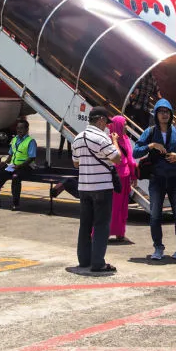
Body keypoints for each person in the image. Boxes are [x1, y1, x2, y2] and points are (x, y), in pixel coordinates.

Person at [133, 99, 176, 260]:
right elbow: (136, 152)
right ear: (156, 115)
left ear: (171, 114)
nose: (164, 115)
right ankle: (158, 247)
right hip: (157, 179)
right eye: (161, 112)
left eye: (167, 112)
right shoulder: (150, 132)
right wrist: (151, 146)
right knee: (154, 215)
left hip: (175, 179)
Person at [71, 107, 121, 274]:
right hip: (102, 187)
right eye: (106, 122)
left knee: (85, 225)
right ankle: (98, 263)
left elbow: (76, 164)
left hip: (84, 187)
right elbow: (117, 158)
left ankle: (84, 260)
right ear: (100, 120)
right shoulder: (102, 138)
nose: (107, 126)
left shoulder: (77, 138)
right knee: (101, 225)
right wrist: (115, 142)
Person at [0, 119, 37, 210]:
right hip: (13, 166)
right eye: (18, 128)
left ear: (27, 129)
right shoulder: (14, 139)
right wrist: (5, 162)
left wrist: (20, 166)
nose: (19, 130)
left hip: (26, 167)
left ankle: (16, 204)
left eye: (21, 128)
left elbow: (32, 157)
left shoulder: (31, 141)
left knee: (16, 177)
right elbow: (11, 153)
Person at [108, 115, 138, 242]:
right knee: (113, 207)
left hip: (125, 176)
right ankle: (105, 232)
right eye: (124, 124)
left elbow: (130, 159)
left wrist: (133, 175)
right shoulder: (110, 140)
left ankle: (120, 232)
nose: (126, 126)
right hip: (116, 177)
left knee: (122, 207)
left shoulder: (125, 138)